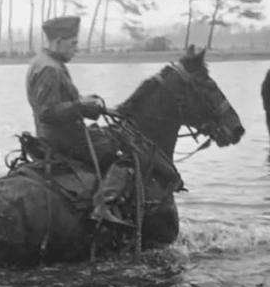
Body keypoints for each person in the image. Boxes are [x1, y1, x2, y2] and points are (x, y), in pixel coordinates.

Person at [26, 15, 181, 229]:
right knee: (128, 152)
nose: (75, 49)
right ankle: (104, 205)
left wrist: (85, 102)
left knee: (117, 135)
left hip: (58, 134)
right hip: (66, 139)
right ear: (59, 41)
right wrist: (83, 107)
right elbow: (47, 112)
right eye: (73, 44)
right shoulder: (50, 69)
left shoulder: (44, 62)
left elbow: (58, 103)